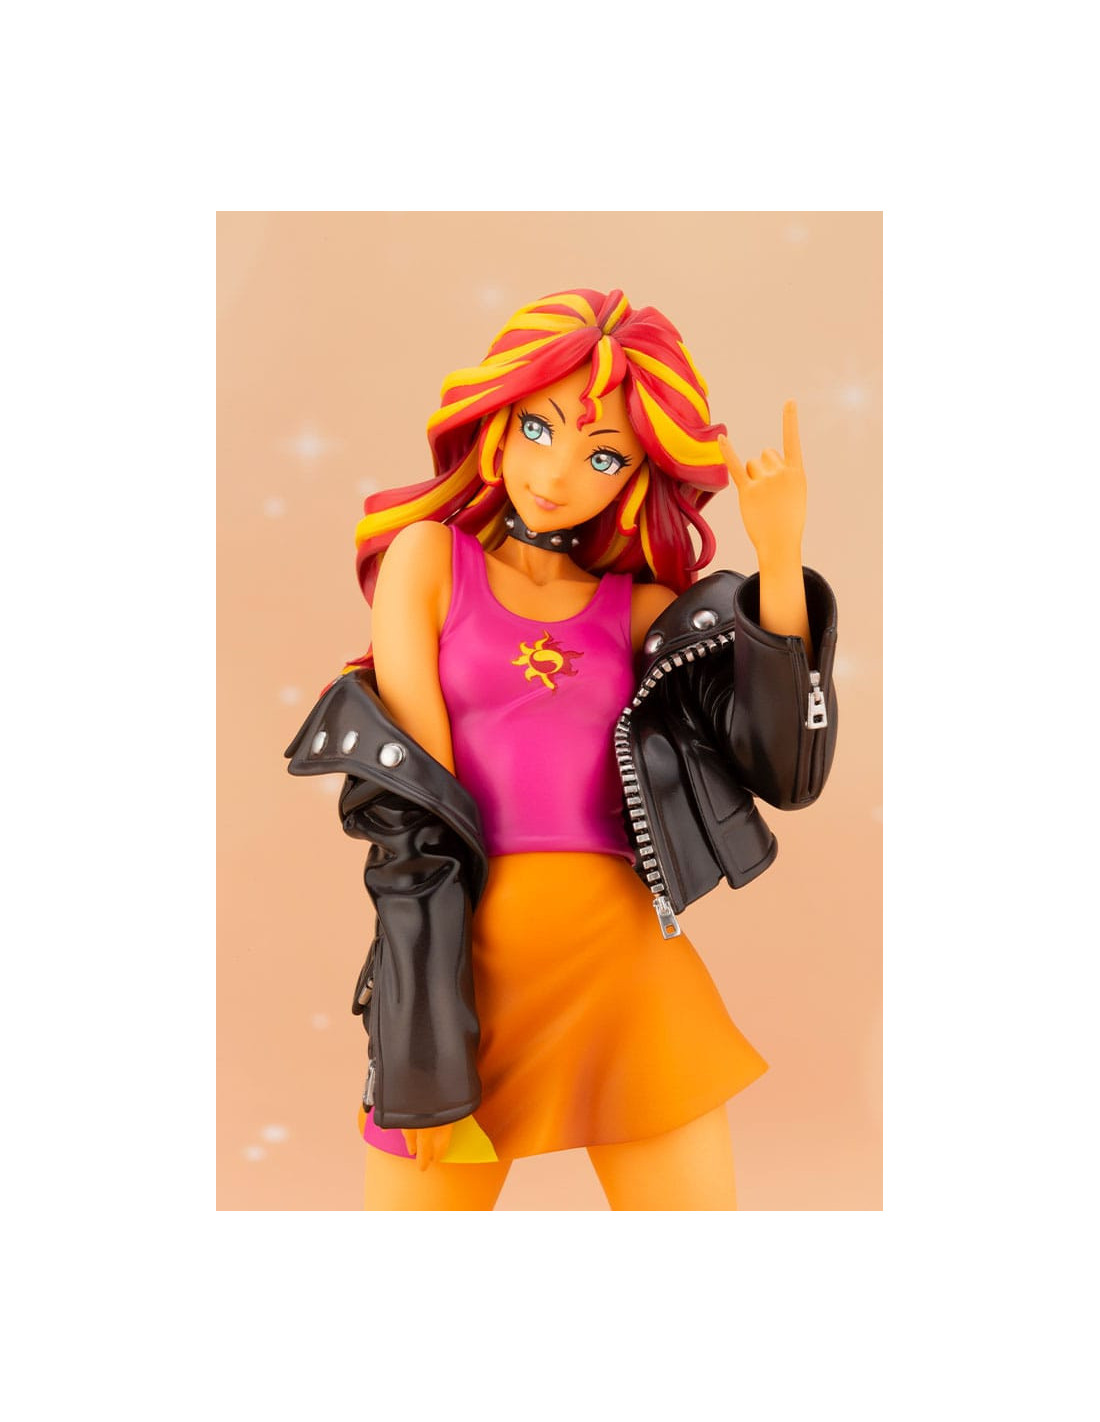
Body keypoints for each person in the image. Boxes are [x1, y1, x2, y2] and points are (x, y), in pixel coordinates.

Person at [285, 287, 838, 1210]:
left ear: (635, 477)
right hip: (466, 979)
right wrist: (420, 1037)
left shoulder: (643, 613)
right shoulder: (429, 563)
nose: (557, 472)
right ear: (496, 423)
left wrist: (779, 562)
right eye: (538, 428)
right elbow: (416, 819)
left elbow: (785, 769)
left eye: (603, 454)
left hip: (629, 978)